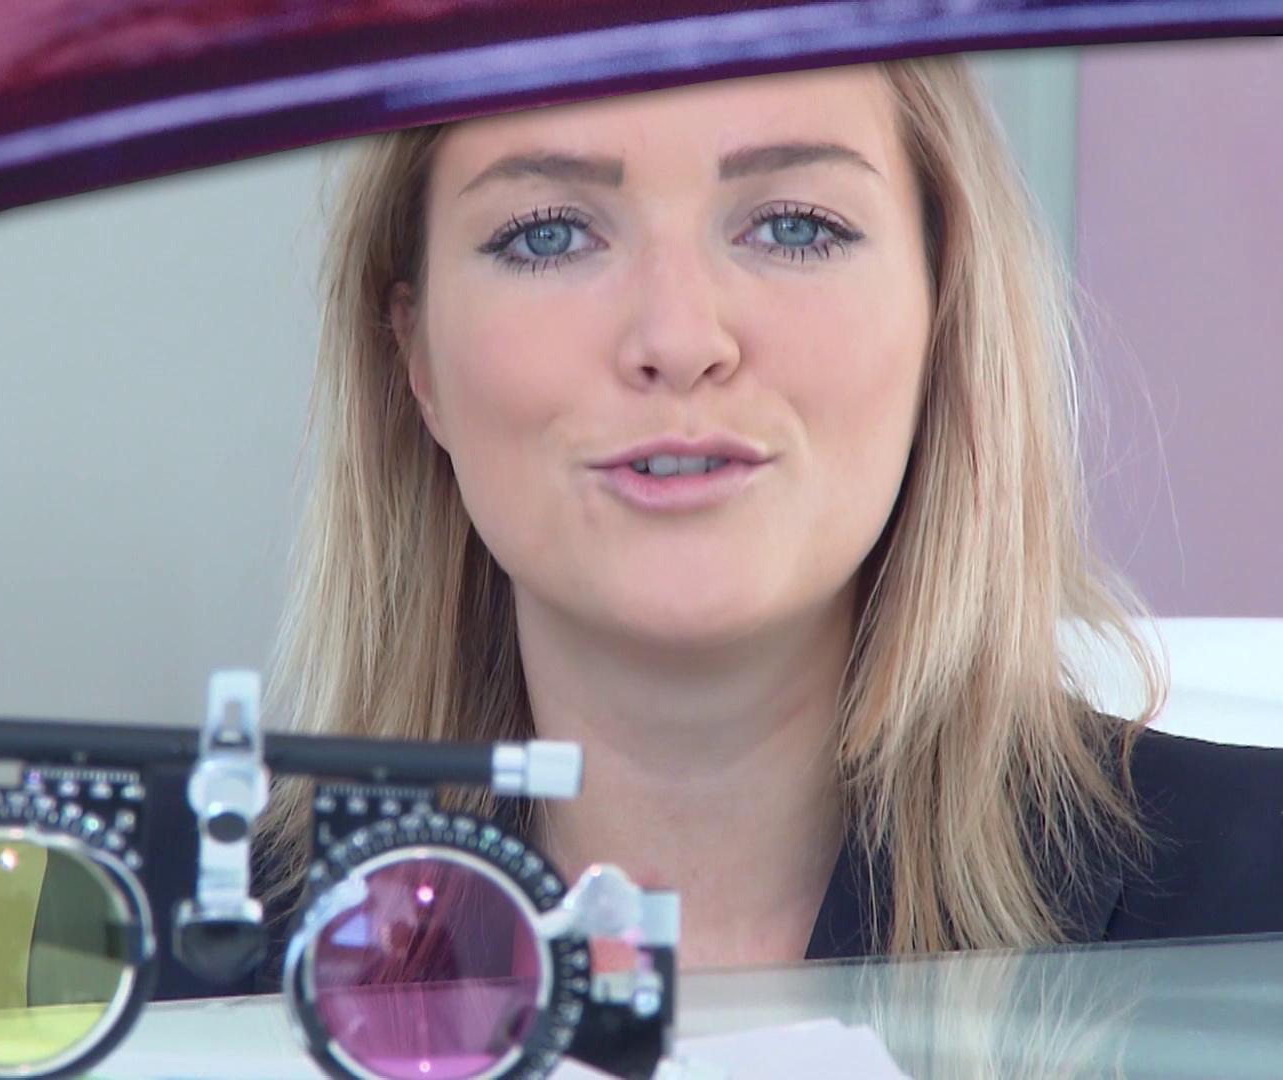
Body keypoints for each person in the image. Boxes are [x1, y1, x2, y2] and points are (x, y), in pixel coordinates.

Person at [247, 54, 1283, 978]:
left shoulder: (1259, 902)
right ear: (416, 356)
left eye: (795, 227)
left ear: (944, 309)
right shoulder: (185, 967)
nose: (679, 338)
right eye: (549, 235)